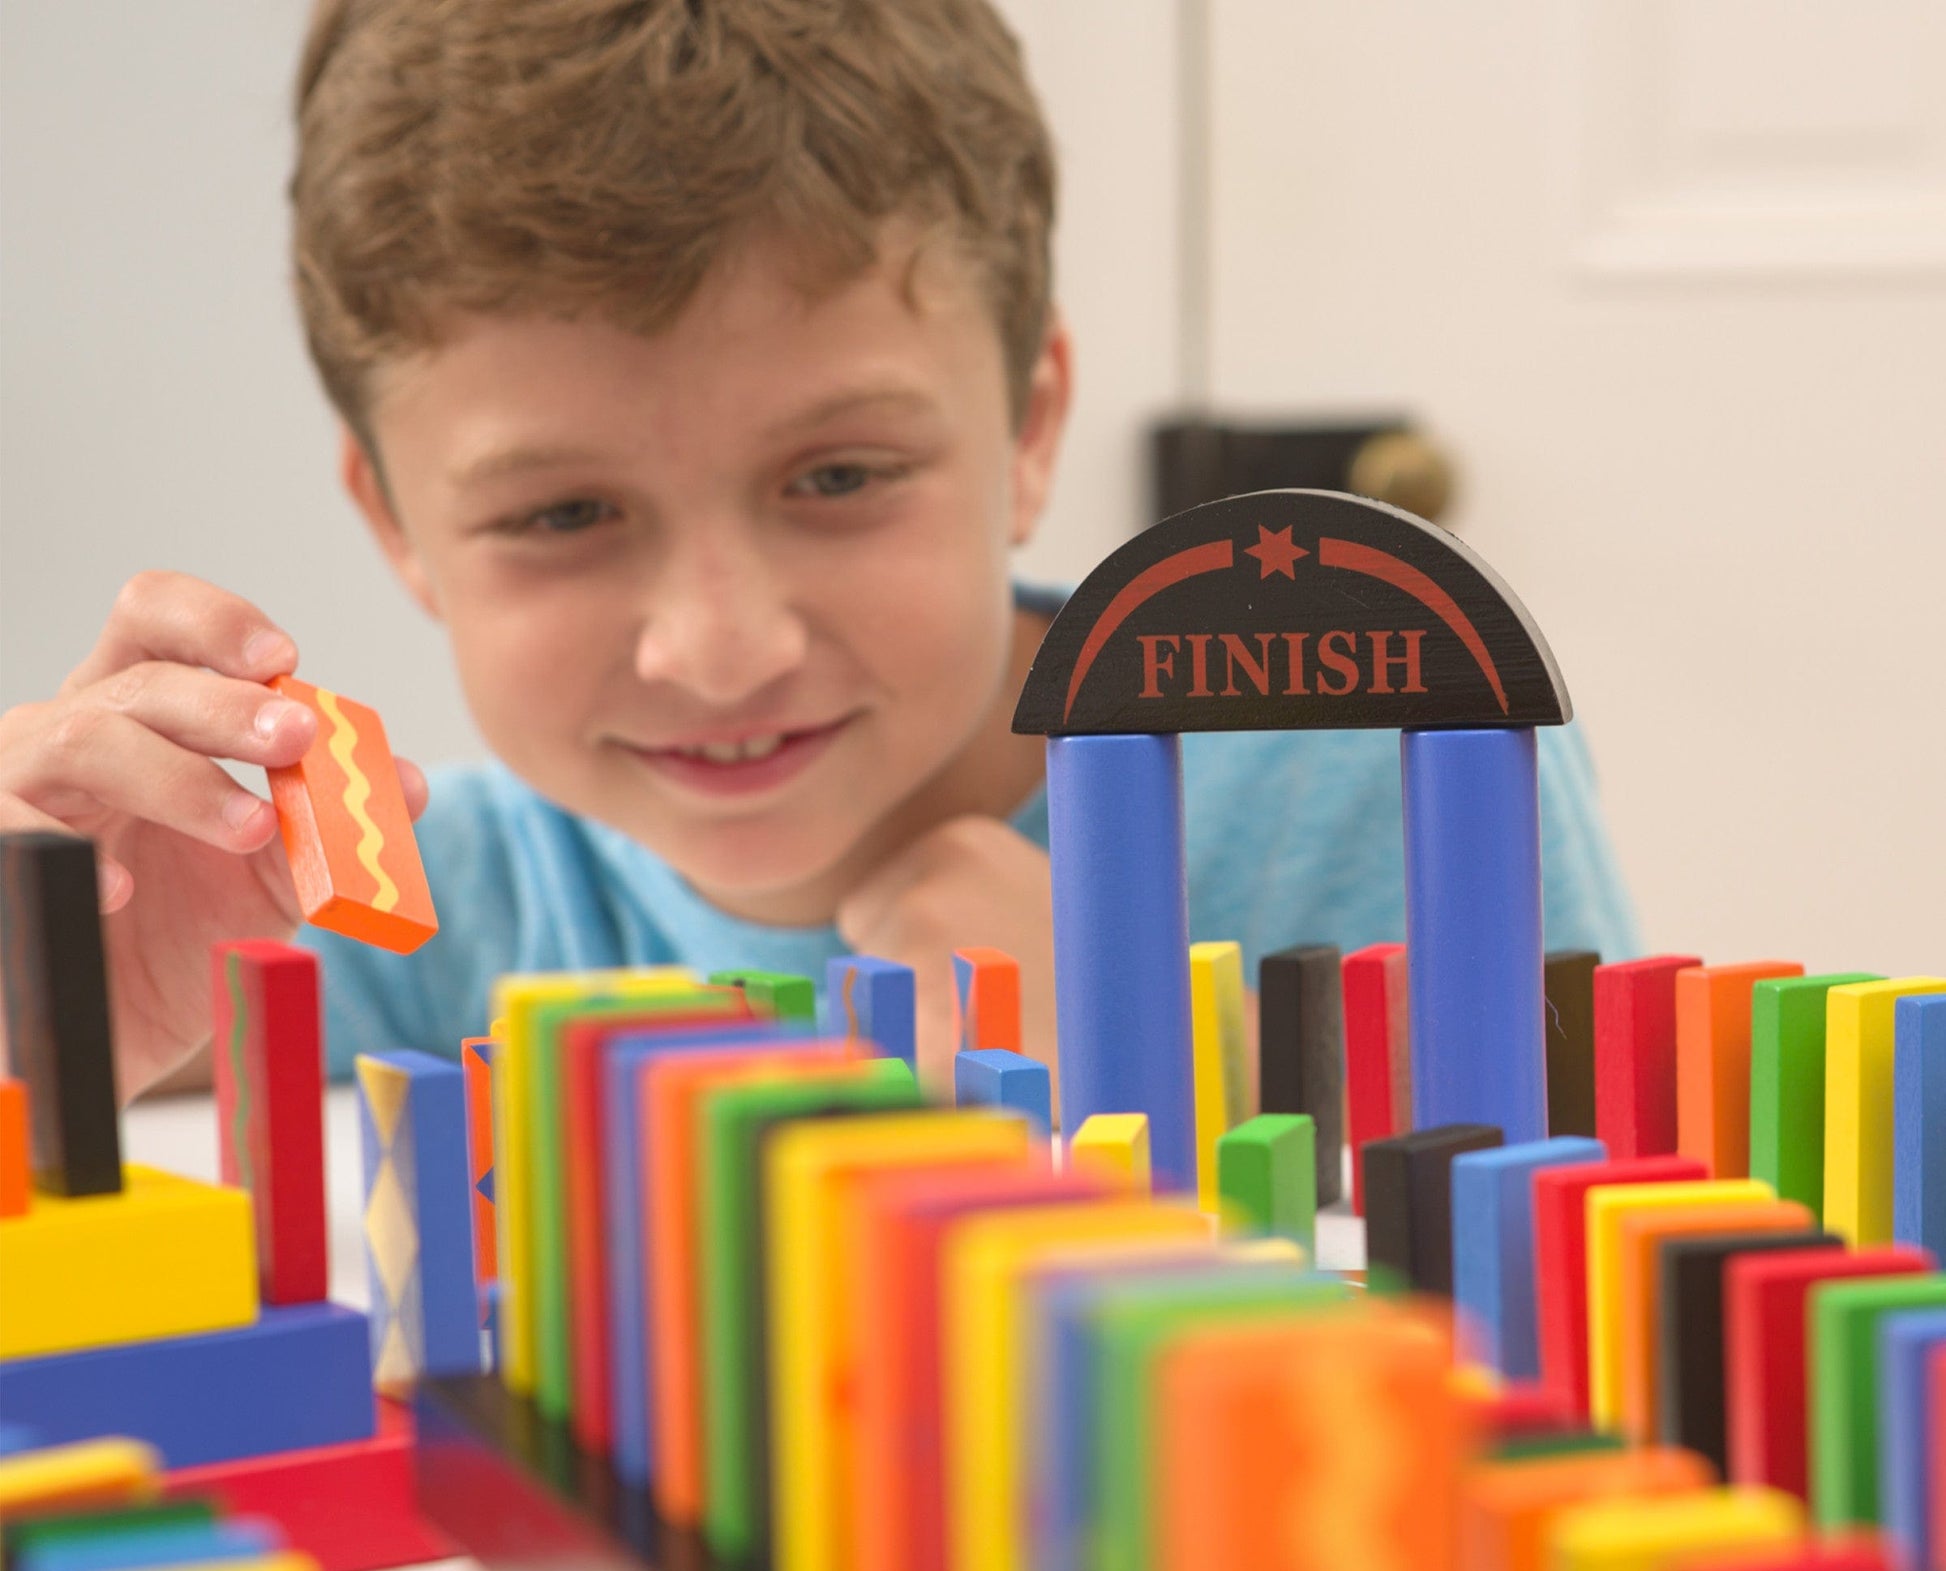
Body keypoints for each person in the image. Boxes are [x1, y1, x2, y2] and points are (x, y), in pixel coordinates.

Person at [0, 0, 1636, 1108]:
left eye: (839, 473)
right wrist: (52, 1045)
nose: (717, 648)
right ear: (395, 527)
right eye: (562, 515)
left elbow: (1640, 1333)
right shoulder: (402, 914)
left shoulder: (1379, 769)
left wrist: (1174, 1090)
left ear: (1028, 426)